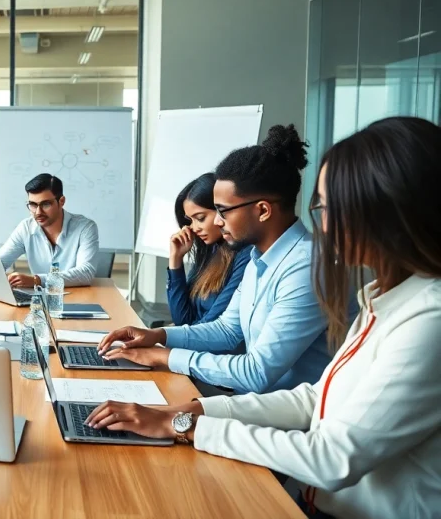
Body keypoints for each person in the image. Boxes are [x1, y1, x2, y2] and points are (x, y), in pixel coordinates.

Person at [85, 117, 441, 519]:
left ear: (387, 210)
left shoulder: (428, 319)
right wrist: (190, 408)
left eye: (329, 206)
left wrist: (186, 423)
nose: (324, 222)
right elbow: (314, 398)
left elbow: (333, 457)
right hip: (312, 487)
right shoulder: (380, 296)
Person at [98, 125, 340, 394]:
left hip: (291, 414)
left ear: (262, 210)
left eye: (223, 211)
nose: (217, 221)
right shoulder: (259, 258)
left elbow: (256, 373)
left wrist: (163, 356)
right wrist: (159, 335)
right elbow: (227, 329)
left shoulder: (307, 267)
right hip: (256, 402)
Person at [168, 173, 251, 325]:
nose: (194, 228)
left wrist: (168, 335)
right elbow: (182, 319)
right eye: (190, 220)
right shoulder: (209, 251)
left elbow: (214, 325)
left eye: (200, 218)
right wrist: (175, 260)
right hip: (193, 338)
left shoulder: (245, 256)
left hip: (208, 339)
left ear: (222, 211)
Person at [0, 173, 101, 288]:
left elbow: (86, 273)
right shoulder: (25, 228)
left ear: (61, 201)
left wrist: (37, 280)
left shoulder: (85, 228)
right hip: (39, 297)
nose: (38, 212)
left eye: (45, 204)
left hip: (76, 295)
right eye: (33, 205)